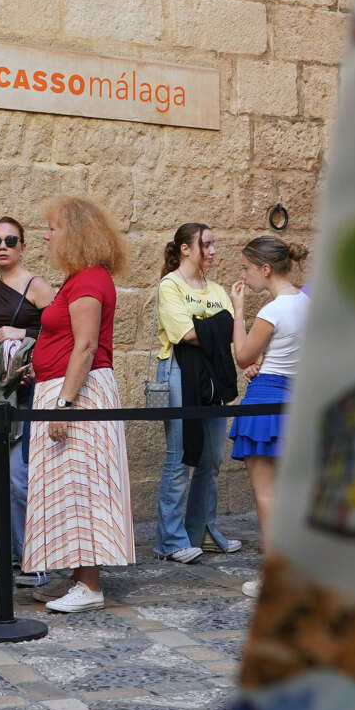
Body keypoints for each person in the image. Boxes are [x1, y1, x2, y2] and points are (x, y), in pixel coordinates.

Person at [26, 198, 135, 615]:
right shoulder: (80, 278)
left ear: (75, 233)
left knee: (81, 485)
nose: (47, 235)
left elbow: (85, 346)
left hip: (78, 393)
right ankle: (77, 576)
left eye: (53, 228)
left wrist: (63, 404)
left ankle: (89, 585)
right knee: (68, 486)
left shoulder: (89, 280)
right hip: (64, 389)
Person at [151, 222, 239, 564]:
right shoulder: (170, 285)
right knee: (180, 455)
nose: (213, 250)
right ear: (186, 249)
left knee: (212, 458)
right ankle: (170, 540)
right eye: (207, 244)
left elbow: (229, 330)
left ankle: (201, 530)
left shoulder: (216, 288)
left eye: (214, 244)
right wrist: (215, 325)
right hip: (179, 372)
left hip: (213, 376)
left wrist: (210, 326)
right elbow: (185, 334)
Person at [228, 234, 309, 591]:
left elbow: (242, 355)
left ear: (265, 268)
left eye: (247, 268)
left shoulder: (272, 310)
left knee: (266, 493)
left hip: (266, 399)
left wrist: (238, 311)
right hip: (294, 397)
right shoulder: (307, 304)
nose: (244, 276)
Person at [0, 215, 52, 591]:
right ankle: (9, 556)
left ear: (23, 245)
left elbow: (61, 331)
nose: (2, 247)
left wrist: (21, 331)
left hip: (27, 389)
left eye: (9, 240)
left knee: (20, 478)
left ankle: (34, 559)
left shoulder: (37, 286)